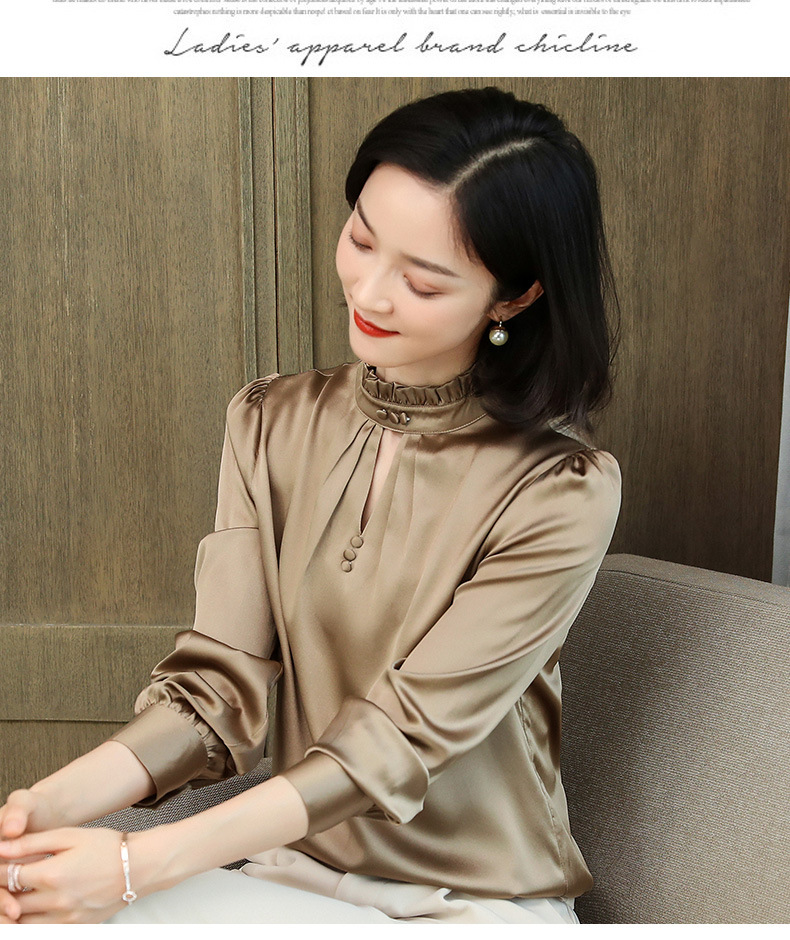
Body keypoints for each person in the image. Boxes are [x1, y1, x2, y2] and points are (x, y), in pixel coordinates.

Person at [0, 86, 622, 925]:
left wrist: (133, 864)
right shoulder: (270, 420)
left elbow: (399, 738)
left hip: (465, 902)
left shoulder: (561, 490)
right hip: (287, 872)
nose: (370, 291)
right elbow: (216, 690)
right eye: (361, 239)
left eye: (423, 281)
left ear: (513, 298)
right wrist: (43, 807)